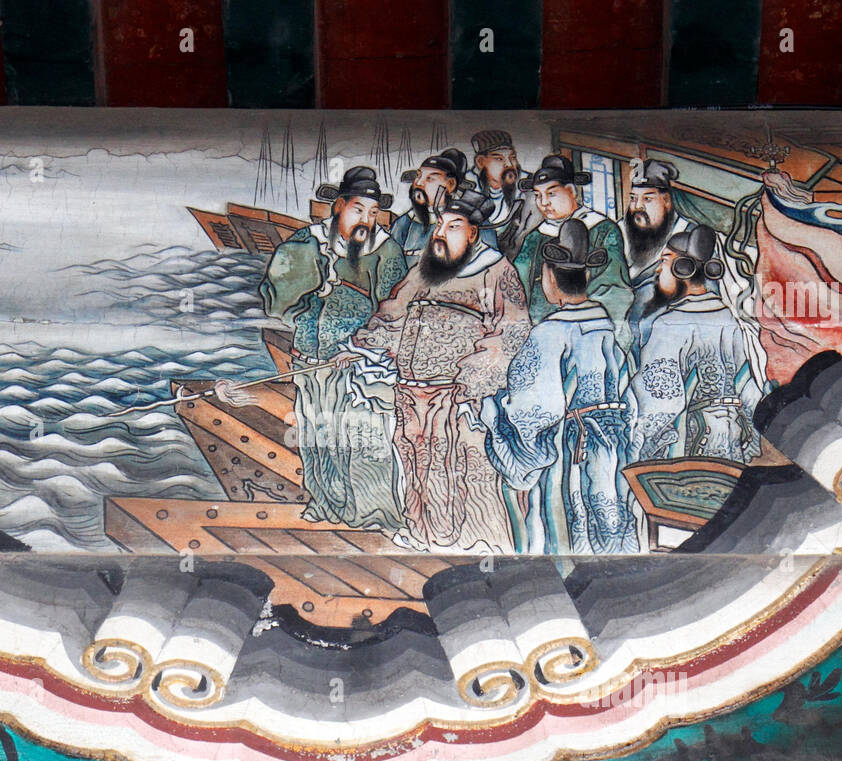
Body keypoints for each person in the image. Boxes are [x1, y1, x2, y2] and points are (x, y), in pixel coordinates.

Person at [341, 190, 531, 553]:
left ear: (473, 233)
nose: (441, 233)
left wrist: (473, 380)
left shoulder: (496, 271)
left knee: (455, 467)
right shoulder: (425, 267)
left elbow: (511, 331)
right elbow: (394, 309)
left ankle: (461, 541)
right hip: (410, 390)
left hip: (454, 394)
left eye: (453, 226)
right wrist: (368, 341)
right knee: (414, 462)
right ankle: (420, 532)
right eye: (440, 225)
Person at [259, 166, 408, 530]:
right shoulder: (306, 243)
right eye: (359, 209)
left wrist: (362, 348)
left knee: (361, 440)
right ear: (339, 206)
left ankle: (372, 514)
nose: (366, 220)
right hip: (310, 357)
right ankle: (325, 503)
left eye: (373, 213)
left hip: (359, 364)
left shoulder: (386, 252)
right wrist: (310, 283)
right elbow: (275, 301)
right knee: (316, 436)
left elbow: (396, 311)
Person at [481, 220, 637, 555]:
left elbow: (532, 411)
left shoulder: (549, 333)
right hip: (613, 447)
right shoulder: (605, 327)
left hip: (571, 450)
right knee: (610, 520)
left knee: (567, 528)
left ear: (550, 277)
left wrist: (495, 413)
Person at [626, 224, 765, 465]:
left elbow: (661, 402)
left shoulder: (669, 324)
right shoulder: (727, 316)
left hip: (689, 446)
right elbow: (749, 388)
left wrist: (637, 445)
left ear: (683, 269)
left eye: (665, 261)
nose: (658, 270)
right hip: (732, 440)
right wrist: (753, 443)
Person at [619, 159, 764, 387]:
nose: (638, 207)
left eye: (647, 199)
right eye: (633, 199)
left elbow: (705, 299)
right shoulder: (620, 233)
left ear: (666, 201)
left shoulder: (691, 239)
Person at [511, 154, 633, 357]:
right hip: (538, 331)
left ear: (571, 191)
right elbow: (518, 281)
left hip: (588, 330)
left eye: (551, 194)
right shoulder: (535, 237)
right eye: (538, 195)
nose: (544, 203)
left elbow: (613, 288)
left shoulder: (602, 230)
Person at [389, 148, 471, 263]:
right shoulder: (404, 223)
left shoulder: (466, 223)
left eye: (430, 178)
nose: (418, 183)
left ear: (450, 184)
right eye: (419, 176)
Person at [469, 129, 540, 260]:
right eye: (499, 159)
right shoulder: (467, 187)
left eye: (512, 158)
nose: (509, 165)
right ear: (480, 162)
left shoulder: (529, 185)